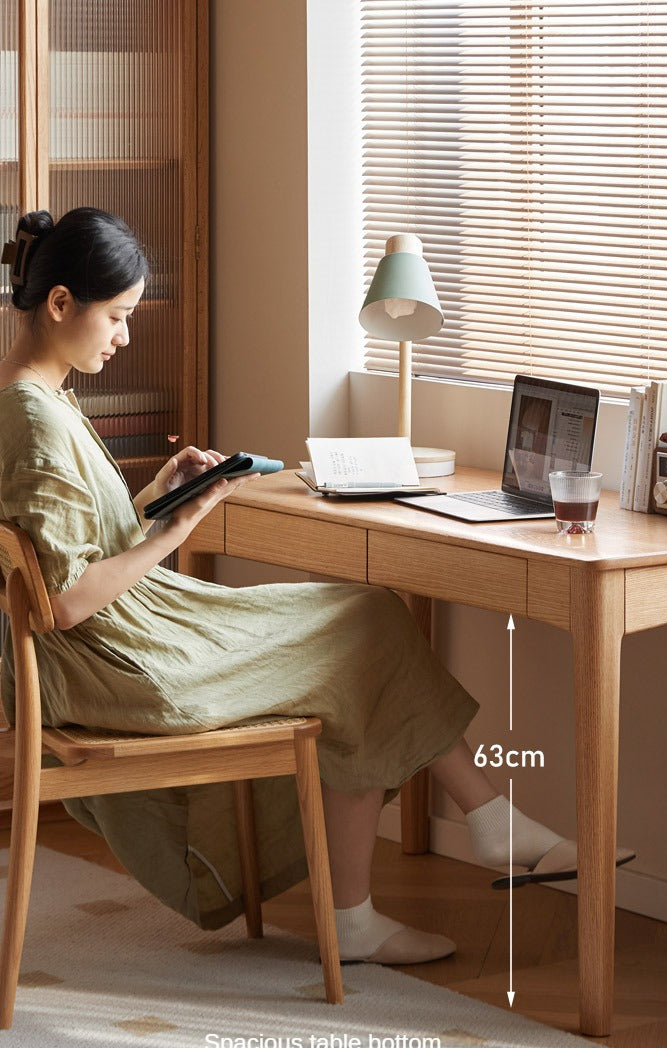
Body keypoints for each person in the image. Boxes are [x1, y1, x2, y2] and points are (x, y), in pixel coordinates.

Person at [0, 207, 577, 965]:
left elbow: (63, 557)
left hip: (119, 645)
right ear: (61, 304)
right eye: (117, 316)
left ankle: (450, 851)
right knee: (365, 629)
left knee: (362, 634)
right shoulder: (36, 419)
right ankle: (468, 836)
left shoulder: (35, 400)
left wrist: (158, 495)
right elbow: (67, 602)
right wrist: (175, 532)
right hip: (122, 664)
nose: (125, 336)